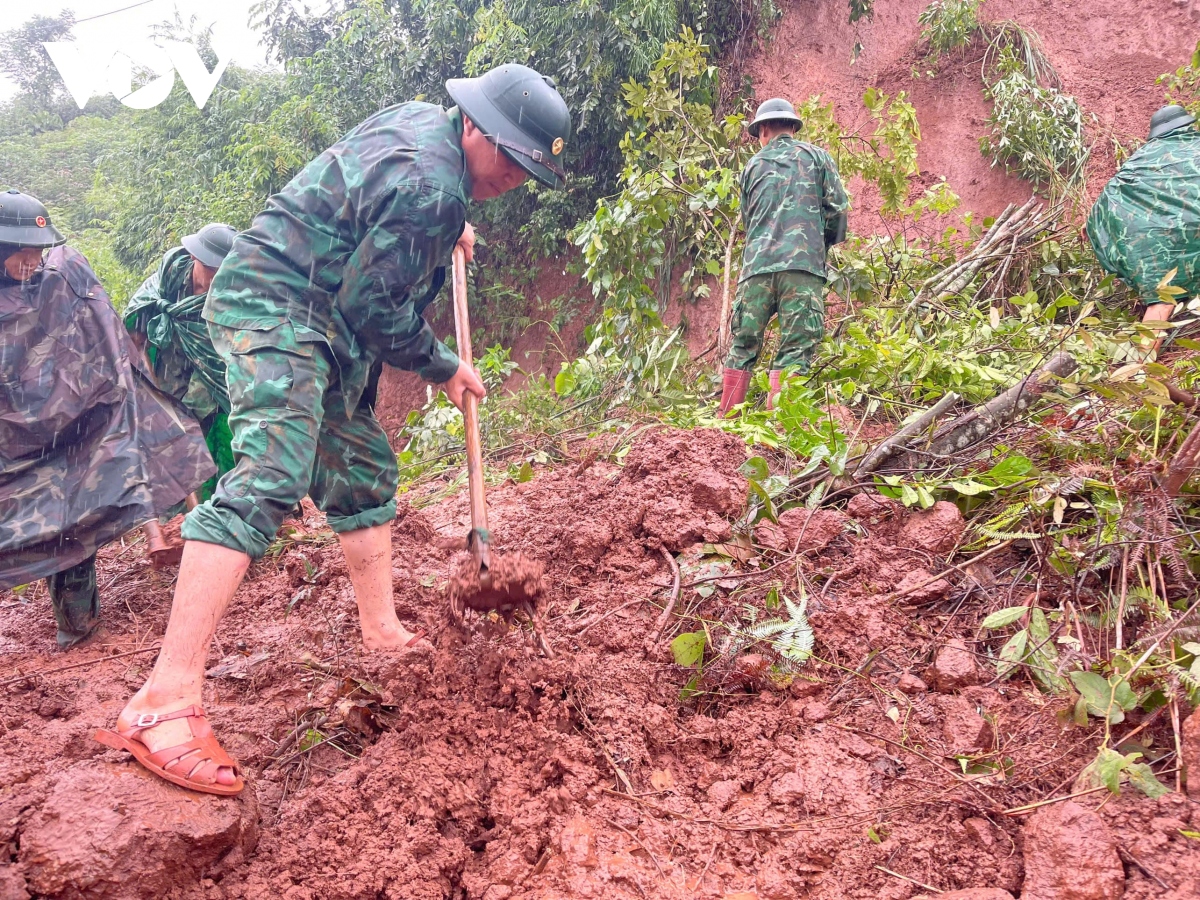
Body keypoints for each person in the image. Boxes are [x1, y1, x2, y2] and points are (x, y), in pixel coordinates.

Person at [95, 63, 571, 795]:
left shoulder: (427, 135)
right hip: (277, 303)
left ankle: (380, 629)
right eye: (508, 154)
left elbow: (372, 195)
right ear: (474, 126)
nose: (513, 174)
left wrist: (451, 221)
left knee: (359, 464)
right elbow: (376, 304)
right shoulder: (430, 187)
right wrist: (442, 365)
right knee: (270, 475)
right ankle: (164, 699)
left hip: (320, 313)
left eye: (526, 166)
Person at [0, 190, 216, 648]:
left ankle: (77, 627)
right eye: (24, 250)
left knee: (71, 520)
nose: (34, 260)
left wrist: (102, 396)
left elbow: (106, 336)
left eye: (39, 249)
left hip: (70, 425)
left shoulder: (63, 276)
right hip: (9, 440)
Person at [718, 97, 848, 415]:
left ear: (763, 130)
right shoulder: (818, 158)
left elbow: (750, 222)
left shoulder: (752, 167)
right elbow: (838, 211)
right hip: (801, 269)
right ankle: (781, 429)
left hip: (755, 271)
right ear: (792, 126)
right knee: (795, 347)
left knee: (743, 345)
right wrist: (819, 246)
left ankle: (726, 426)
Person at [124, 224, 239, 498]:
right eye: (210, 268)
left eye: (224, 271)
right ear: (194, 258)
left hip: (217, 374)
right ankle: (182, 511)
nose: (215, 278)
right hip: (169, 368)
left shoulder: (235, 293)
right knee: (171, 436)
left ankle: (227, 503)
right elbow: (135, 332)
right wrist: (145, 382)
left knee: (224, 434)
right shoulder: (166, 283)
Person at [1087, 104, 1200, 354]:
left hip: (1150, 247)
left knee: (1160, 301)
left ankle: (1140, 370)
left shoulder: (1137, 163)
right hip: (1194, 233)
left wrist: (1119, 263)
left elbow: (1101, 210)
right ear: (1187, 124)